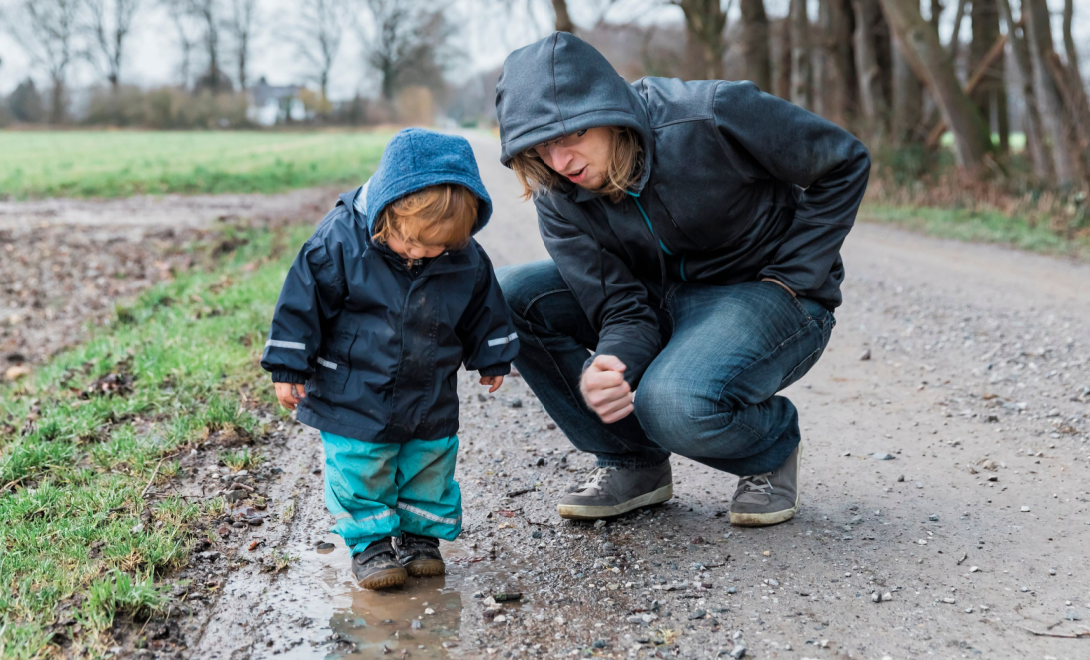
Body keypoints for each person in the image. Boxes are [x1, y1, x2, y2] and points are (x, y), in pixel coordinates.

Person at [494, 33, 870, 527]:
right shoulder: (557, 191)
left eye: (572, 136)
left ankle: (770, 447)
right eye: (542, 146)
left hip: (765, 292)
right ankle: (633, 462)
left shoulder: (712, 114)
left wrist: (793, 275)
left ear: (605, 112)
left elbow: (843, 162)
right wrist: (613, 362)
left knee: (670, 403)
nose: (561, 161)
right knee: (509, 295)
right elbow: (621, 306)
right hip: (660, 300)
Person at [261, 128, 518, 589]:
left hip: (429, 389)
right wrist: (289, 364)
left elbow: (485, 306)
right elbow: (303, 302)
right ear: (388, 214)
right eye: (414, 244)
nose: (425, 253)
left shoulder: (464, 256)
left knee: (430, 463)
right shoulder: (340, 240)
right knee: (361, 465)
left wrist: (493, 355)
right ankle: (372, 545)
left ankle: (422, 537)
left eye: (440, 246)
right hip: (353, 389)